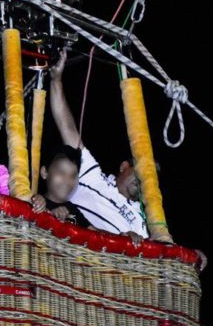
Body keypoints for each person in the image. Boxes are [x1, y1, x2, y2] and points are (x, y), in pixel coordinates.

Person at [47, 50, 150, 243]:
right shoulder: (93, 177)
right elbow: (66, 127)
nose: (144, 178)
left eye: (149, 177)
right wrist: (56, 80)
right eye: (140, 171)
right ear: (124, 166)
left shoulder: (143, 219)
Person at [32, 145, 90, 228]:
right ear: (44, 172)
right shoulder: (36, 202)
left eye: (73, 176)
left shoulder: (74, 210)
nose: (67, 181)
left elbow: (96, 234)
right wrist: (49, 215)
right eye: (61, 172)